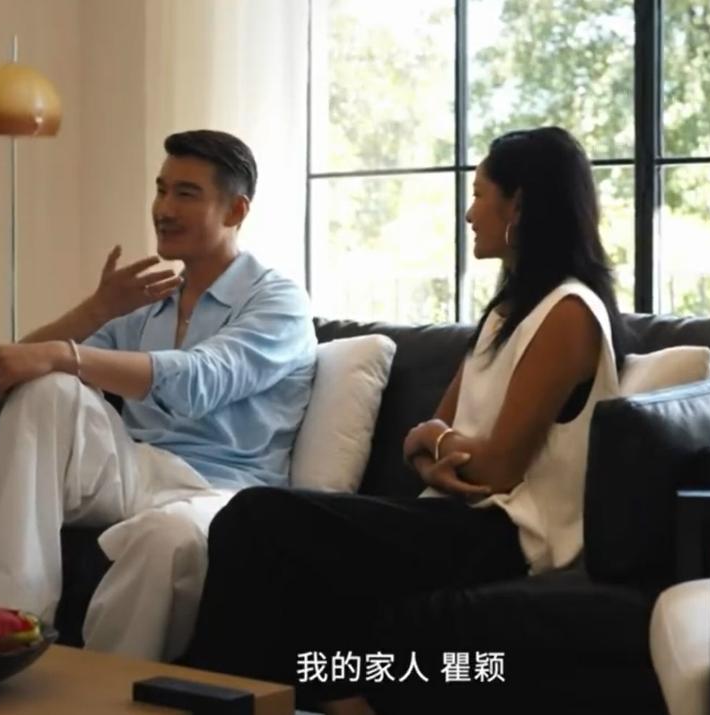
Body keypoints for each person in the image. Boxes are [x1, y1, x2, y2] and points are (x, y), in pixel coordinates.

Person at [181, 126, 627, 713]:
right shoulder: (508, 313)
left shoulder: (569, 313)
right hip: (457, 515)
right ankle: (286, 697)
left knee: (256, 516)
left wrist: (439, 447)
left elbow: (494, 469)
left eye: (479, 195)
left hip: (510, 538)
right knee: (273, 542)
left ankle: (213, 697)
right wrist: (440, 448)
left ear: (519, 205)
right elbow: (425, 436)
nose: (469, 213)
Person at [0, 129, 316, 663]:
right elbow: (8, 372)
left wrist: (66, 354)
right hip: (136, 467)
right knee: (46, 390)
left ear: (236, 210)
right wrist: (96, 310)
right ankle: (1, 632)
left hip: (220, 489)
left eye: (186, 194)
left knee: (165, 538)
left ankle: (104, 693)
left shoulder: (277, 300)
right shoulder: (149, 300)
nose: (164, 209)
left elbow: (200, 381)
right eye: (161, 189)